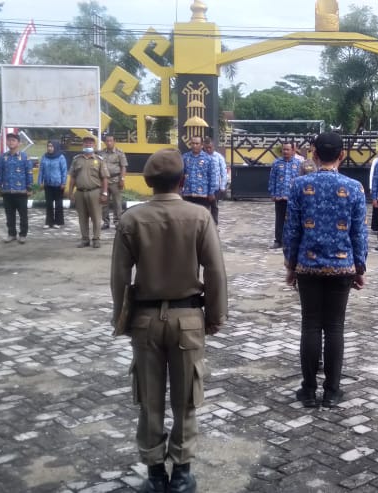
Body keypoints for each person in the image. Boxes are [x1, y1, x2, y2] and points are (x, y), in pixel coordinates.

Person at [111, 148, 228, 493]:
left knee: (149, 400)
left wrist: (124, 317)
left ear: (148, 183)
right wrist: (216, 315)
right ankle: (181, 474)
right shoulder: (200, 216)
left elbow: (119, 276)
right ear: (183, 180)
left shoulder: (131, 219)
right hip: (188, 319)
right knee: (186, 398)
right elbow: (216, 271)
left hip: (145, 321)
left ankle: (155, 475)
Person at [283, 131, 367, 409]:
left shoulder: (298, 185)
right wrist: (360, 267)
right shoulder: (354, 188)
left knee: (310, 325)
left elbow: (291, 230)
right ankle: (332, 391)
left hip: (307, 266)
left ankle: (308, 390)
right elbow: (359, 232)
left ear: (314, 154)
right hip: (342, 267)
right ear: (341, 155)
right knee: (334, 328)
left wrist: (290, 265)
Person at [66, 135, 110, 248]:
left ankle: (96, 239)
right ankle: (85, 239)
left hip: (95, 192)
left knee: (96, 217)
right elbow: (73, 177)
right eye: (86, 143)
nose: (88, 145)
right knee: (82, 217)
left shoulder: (99, 160)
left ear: (94, 146)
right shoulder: (77, 160)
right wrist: (70, 192)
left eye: (90, 143)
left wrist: (104, 193)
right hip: (80, 192)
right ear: (83, 145)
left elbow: (105, 178)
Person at [0, 133, 33, 244]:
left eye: (13, 140)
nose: (11, 142)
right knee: (9, 215)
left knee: (23, 215)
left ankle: (23, 235)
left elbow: (29, 173)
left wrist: (29, 187)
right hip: (7, 191)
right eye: (9, 140)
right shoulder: (3, 157)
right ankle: (11, 234)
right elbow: (0, 172)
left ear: (18, 143)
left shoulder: (25, 157)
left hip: (21, 191)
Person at [268, 143, 301, 249]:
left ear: (293, 151)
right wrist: (272, 193)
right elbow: (272, 179)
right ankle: (278, 241)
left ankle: (290, 241)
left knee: (292, 220)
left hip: (292, 198)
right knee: (279, 219)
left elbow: (300, 181)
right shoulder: (276, 163)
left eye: (287, 149)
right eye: (284, 149)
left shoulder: (298, 164)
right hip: (279, 196)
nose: (285, 151)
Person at [181, 136, 218, 223]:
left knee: (201, 219)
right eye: (193, 143)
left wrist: (211, 192)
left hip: (202, 194)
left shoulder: (208, 159)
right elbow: (181, 174)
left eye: (197, 143)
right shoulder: (185, 157)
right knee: (188, 219)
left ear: (201, 145)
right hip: (188, 193)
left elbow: (212, 176)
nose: (194, 145)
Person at [100, 134, 129, 230]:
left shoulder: (119, 153)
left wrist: (122, 179)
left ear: (114, 141)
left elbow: (123, 167)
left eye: (111, 141)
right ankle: (106, 222)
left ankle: (118, 222)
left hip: (116, 180)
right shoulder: (101, 153)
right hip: (104, 181)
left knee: (117, 202)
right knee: (104, 202)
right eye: (107, 141)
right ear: (105, 142)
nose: (109, 143)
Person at [38, 140, 67, 229]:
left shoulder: (61, 157)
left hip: (58, 184)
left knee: (58, 204)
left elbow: (64, 171)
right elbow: (41, 170)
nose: (50, 148)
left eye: (51, 146)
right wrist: (40, 182)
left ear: (56, 147)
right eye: (48, 146)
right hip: (48, 184)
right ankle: (49, 222)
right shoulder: (44, 157)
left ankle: (57, 222)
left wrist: (63, 182)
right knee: (49, 204)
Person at [203, 137, 226, 223]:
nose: (208, 149)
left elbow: (223, 172)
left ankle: (214, 224)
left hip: (215, 187)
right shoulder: (202, 157)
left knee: (214, 206)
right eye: (206, 148)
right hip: (203, 187)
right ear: (204, 147)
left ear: (213, 147)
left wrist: (222, 186)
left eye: (210, 147)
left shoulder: (219, 157)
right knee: (204, 207)